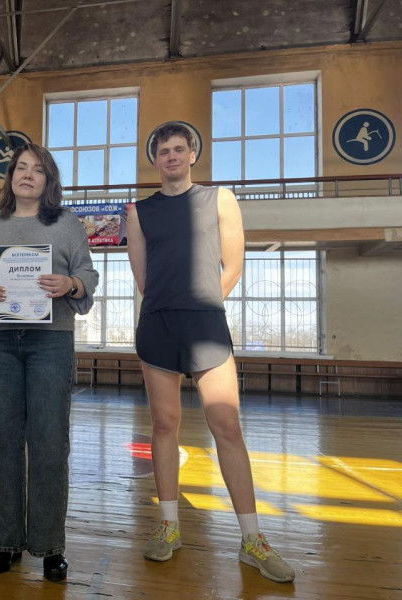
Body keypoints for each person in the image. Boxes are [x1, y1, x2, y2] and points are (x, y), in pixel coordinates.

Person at [126, 122, 295, 583]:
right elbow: (143, 278)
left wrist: (200, 307)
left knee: (228, 427)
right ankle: (169, 526)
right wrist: (171, 306)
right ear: (155, 160)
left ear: (192, 154)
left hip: (206, 324)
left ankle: (252, 539)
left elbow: (234, 265)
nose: (172, 156)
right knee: (164, 425)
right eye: (163, 151)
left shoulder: (220, 198)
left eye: (179, 148)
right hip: (158, 325)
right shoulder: (138, 212)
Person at [0, 143, 98, 582]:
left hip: (51, 342)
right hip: (2, 342)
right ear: (11, 178)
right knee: (3, 440)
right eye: (20, 168)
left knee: (49, 441)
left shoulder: (66, 224)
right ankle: (6, 540)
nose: (27, 175)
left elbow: (88, 273)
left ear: (48, 180)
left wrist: (71, 283)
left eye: (37, 170)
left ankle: (49, 545)